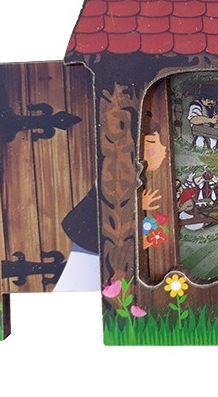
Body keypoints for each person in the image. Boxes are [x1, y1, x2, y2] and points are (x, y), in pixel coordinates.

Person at [54, 120, 167, 291]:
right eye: (152, 142)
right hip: (91, 242)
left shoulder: (130, 175)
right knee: (83, 279)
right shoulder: (117, 174)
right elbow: (111, 209)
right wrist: (136, 205)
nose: (162, 149)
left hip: (100, 244)